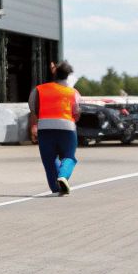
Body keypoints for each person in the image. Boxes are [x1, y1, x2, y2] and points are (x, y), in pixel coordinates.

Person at [29, 60, 80, 196]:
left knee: (49, 159)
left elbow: (33, 110)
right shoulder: (73, 92)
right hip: (67, 128)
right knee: (69, 156)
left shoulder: (39, 90)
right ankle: (63, 176)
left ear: (55, 73)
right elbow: (77, 113)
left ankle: (56, 188)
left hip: (44, 128)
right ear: (68, 75)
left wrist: (33, 127)